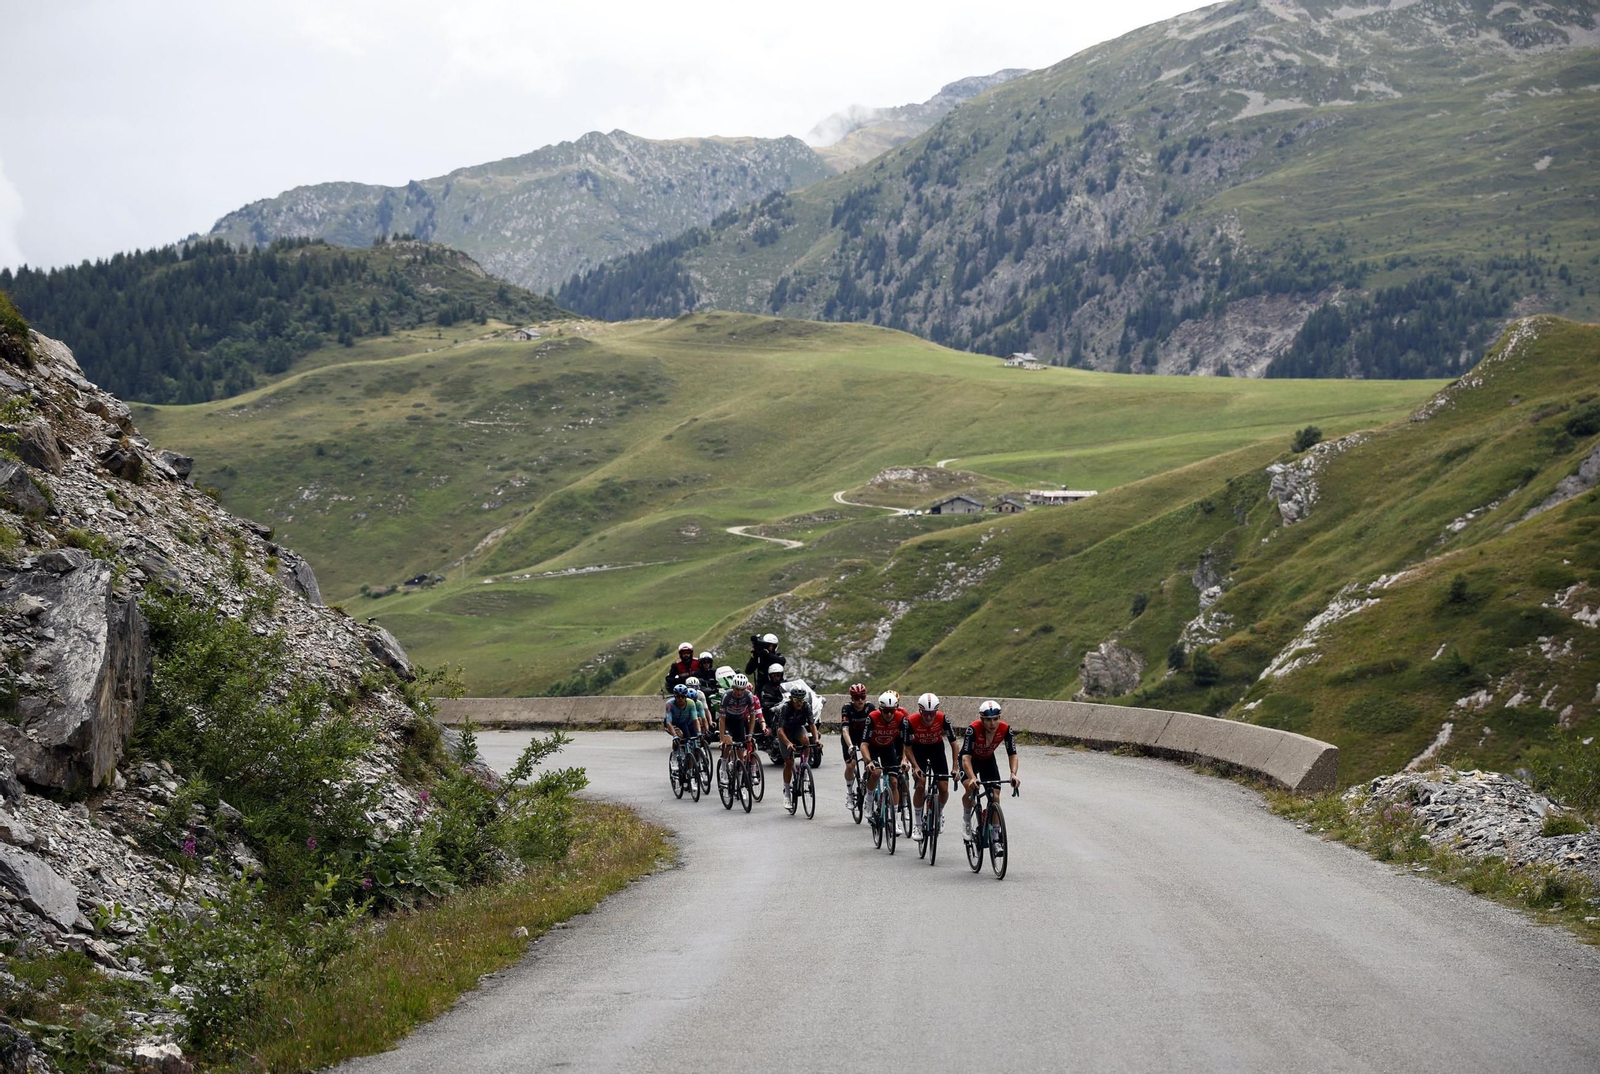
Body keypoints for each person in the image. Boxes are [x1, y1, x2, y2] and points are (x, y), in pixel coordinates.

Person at [960, 699, 1020, 836]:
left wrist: (1013, 774)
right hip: (970, 760)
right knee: (970, 788)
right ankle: (967, 820)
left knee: (995, 797)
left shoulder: (1006, 729)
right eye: (988, 720)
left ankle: (995, 837)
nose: (992, 723)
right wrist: (973, 777)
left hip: (987, 759)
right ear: (982, 719)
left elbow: (1013, 754)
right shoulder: (973, 729)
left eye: (995, 719)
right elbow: (965, 758)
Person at [904, 692, 958, 838]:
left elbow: (954, 744)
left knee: (943, 788)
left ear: (936, 711)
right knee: (921, 785)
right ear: (920, 711)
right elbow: (907, 748)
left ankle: (939, 812)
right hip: (919, 750)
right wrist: (915, 766)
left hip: (936, 749)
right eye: (925, 714)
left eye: (932, 713)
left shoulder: (942, 718)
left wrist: (955, 767)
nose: (929, 717)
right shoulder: (910, 721)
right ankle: (917, 824)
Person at [860, 690, 909, 821]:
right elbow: (864, 744)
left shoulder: (900, 718)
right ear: (880, 709)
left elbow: (906, 743)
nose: (888, 714)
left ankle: (896, 820)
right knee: (875, 773)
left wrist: (904, 759)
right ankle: (869, 801)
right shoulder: (872, 717)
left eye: (891, 711)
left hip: (888, 747)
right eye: (885, 711)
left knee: (894, 782)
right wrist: (868, 761)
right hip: (873, 748)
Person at [774, 685, 816, 801]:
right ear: (791, 698)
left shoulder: (806, 706)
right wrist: (788, 743)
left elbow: (812, 726)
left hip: (797, 728)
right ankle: (787, 793)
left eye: (801, 700)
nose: (799, 703)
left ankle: (804, 765)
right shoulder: (786, 708)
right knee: (789, 762)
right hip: (785, 732)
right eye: (797, 700)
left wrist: (817, 740)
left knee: (806, 740)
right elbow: (780, 730)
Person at [838, 683, 872, 808]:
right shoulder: (847, 708)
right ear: (852, 699)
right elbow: (845, 730)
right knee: (851, 764)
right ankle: (849, 793)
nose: (860, 700)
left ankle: (866, 784)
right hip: (850, 738)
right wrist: (851, 746)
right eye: (856, 698)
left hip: (864, 738)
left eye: (862, 697)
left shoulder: (870, 707)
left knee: (870, 763)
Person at [717, 673, 764, 761]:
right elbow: (721, 719)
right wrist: (721, 739)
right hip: (727, 721)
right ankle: (723, 767)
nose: (739, 692)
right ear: (733, 687)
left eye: (742, 690)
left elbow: (753, 716)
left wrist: (750, 734)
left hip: (739, 721)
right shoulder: (726, 696)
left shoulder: (749, 695)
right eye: (737, 689)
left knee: (741, 753)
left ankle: (740, 773)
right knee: (729, 743)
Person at [663, 683, 706, 755]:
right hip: (672, 723)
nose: (680, 699)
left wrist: (699, 732)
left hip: (683, 723)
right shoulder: (669, 704)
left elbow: (695, 720)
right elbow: (668, 722)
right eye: (678, 696)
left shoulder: (691, 703)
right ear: (674, 696)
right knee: (679, 735)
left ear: (686, 697)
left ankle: (690, 763)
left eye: (682, 697)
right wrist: (674, 736)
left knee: (688, 741)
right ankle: (675, 754)